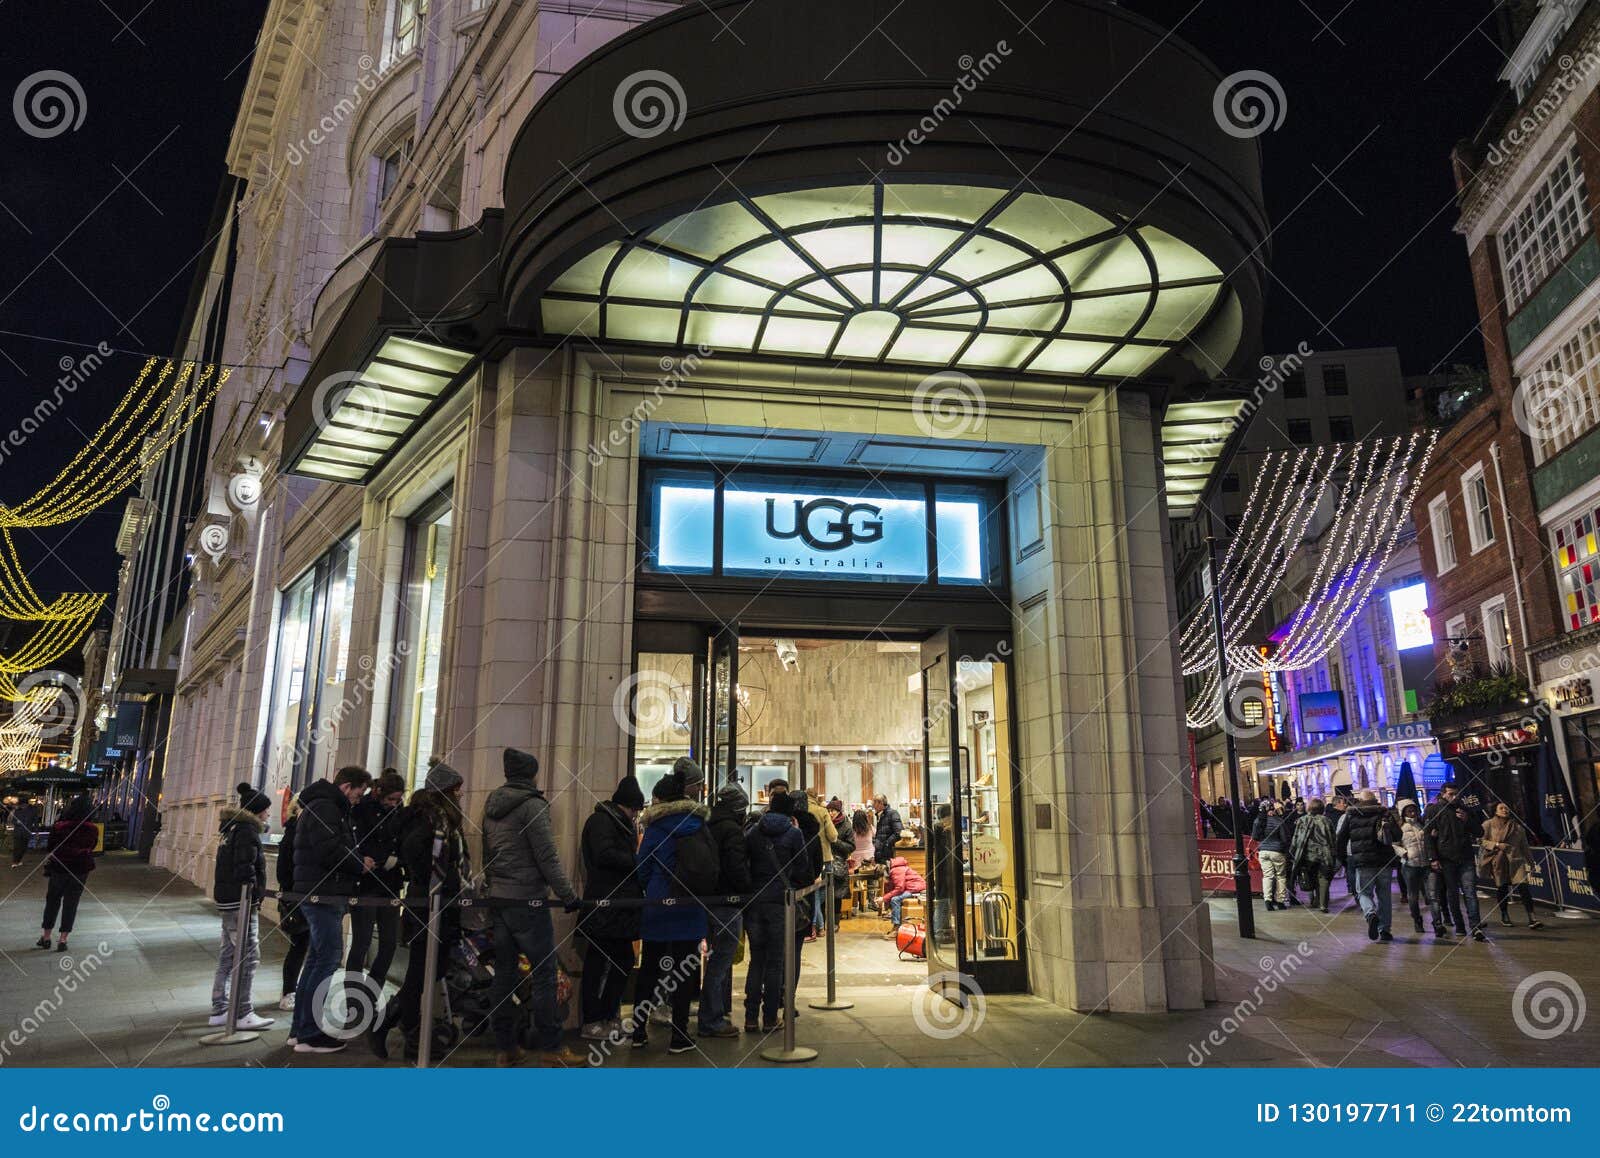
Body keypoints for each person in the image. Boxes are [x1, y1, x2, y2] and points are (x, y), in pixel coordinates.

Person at [481, 748, 584, 1067]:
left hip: (499, 899)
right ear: (531, 775)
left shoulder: (491, 805)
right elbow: (547, 857)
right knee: (544, 975)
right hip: (527, 900)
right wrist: (568, 895)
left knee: (505, 975)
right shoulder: (533, 806)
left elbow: (487, 854)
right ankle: (552, 1047)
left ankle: (505, 1047)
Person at [370, 762, 467, 1061]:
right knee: (420, 972)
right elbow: (417, 855)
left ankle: (407, 1027)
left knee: (432, 970)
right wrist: (447, 879)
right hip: (428, 904)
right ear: (445, 792)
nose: (460, 796)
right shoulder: (428, 820)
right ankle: (400, 1028)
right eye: (456, 791)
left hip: (440, 904)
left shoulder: (440, 819)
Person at [289, 765, 373, 1052]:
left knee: (316, 960)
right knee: (327, 960)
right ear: (347, 786)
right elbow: (329, 850)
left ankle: (299, 1030)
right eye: (358, 793)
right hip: (323, 894)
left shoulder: (320, 805)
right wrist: (359, 863)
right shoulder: (327, 808)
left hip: (318, 892)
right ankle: (311, 1034)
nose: (358, 800)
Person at [632, 772, 710, 1054]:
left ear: (661, 799)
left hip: (658, 903)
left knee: (650, 969)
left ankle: (638, 1032)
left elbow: (642, 868)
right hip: (690, 903)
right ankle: (679, 1035)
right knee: (685, 972)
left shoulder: (655, 827)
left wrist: (650, 889)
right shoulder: (699, 824)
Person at [578, 774, 645, 1041]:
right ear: (627, 806)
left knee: (615, 961)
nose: (635, 815)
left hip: (615, 904)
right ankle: (595, 1019)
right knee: (602, 962)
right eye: (635, 810)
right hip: (606, 904)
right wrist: (636, 860)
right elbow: (604, 855)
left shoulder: (613, 822)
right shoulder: (602, 822)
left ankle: (606, 1016)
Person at [210, 783, 275, 1030]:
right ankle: (243, 1011)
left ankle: (220, 1008)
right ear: (257, 811)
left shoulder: (231, 829)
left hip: (228, 900)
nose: (269, 814)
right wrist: (253, 894)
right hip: (241, 902)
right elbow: (245, 868)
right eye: (267, 810)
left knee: (228, 954)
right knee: (248, 956)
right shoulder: (247, 831)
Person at [743, 790, 808, 1033]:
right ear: (790, 811)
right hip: (781, 903)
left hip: (755, 903)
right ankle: (770, 1018)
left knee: (756, 960)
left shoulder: (753, 833)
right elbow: (803, 869)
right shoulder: (794, 834)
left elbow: (744, 863)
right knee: (775, 962)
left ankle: (750, 1017)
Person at [700, 779, 752, 1038]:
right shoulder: (731, 829)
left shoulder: (706, 822)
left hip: (706, 899)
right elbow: (736, 866)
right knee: (721, 961)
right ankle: (711, 1019)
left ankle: (712, 1011)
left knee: (712, 959)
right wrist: (746, 890)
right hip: (727, 901)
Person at [347, 769, 406, 989]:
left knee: (389, 943)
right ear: (379, 792)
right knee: (361, 943)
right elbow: (357, 842)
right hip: (366, 884)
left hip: (390, 883)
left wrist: (397, 859)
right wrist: (383, 858)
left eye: (398, 800)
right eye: (391, 799)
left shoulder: (398, 811)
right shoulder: (361, 810)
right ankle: (354, 996)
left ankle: (372, 990)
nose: (394, 803)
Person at [1335, 789, 1401, 943]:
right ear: (1375, 799)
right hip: (1384, 861)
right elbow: (1398, 834)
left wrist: (1342, 858)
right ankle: (1385, 930)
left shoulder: (1351, 814)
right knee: (1385, 896)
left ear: (1360, 800)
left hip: (1363, 861)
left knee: (1363, 892)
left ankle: (1370, 914)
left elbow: (1341, 838)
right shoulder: (1384, 813)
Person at [1424, 783, 1484, 941]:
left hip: (1465, 857)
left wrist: (1467, 820)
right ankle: (1459, 926)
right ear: (1443, 794)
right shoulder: (1434, 810)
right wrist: (1433, 858)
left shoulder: (1464, 809)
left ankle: (1475, 926)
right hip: (1446, 858)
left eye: (1456, 794)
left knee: (1470, 892)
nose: (1454, 797)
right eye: (1451, 794)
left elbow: (1479, 831)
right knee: (1452, 893)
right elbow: (1428, 836)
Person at [37, 796, 96, 952]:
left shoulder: (59, 827)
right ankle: (63, 940)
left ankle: (46, 936)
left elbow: (50, 847)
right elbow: (92, 846)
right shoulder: (92, 828)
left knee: (53, 900)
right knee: (72, 903)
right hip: (81, 869)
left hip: (60, 868)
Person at [1479, 802, 1544, 930]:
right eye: (1501, 808)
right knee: (1502, 888)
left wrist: (1531, 862)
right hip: (1498, 861)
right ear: (1496, 811)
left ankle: (1532, 918)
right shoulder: (1488, 825)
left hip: (1516, 861)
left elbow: (1524, 846)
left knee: (1524, 887)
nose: (1505, 810)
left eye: (1507, 808)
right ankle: (1504, 915)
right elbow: (1481, 841)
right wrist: (1497, 845)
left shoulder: (1518, 827)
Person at [275, 797, 309, 1010]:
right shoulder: (294, 834)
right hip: (297, 898)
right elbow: (283, 871)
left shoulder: (295, 831)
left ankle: (291, 990)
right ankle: (289, 991)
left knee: (302, 945)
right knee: (299, 945)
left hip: (299, 896)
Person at [1393, 799, 1442, 935]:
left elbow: (1429, 840)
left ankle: (1437, 923)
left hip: (1427, 864)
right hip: (1410, 866)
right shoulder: (1399, 827)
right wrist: (1404, 854)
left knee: (1433, 896)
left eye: (1414, 810)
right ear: (1403, 813)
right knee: (1413, 897)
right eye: (1409, 810)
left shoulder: (1423, 824)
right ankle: (1417, 919)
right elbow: (1395, 844)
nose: (1413, 813)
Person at [1288, 798, 1337, 912]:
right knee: (1323, 878)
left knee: (1310, 877)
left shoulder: (1302, 820)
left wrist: (1293, 851)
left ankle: (1313, 900)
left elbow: (1296, 838)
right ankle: (1323, 904)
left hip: (1307, 855)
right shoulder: (1326, 820)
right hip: (1324, 854)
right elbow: (1333, 838)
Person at [1251, 801, 1295, 910]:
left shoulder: (1258, 821)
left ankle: (1268, 900)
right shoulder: (1278, 821)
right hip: (1277, 851)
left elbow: (1255, 837)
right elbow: (1285, 838)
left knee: (1267, 876)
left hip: (1263, 851)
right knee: (1280, 876)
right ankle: (1280, 901)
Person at [878, 854, 927, 933]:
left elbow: (899, 888)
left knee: (895, 899)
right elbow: (891, 891)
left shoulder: (896, 870)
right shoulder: (894, 869)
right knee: (895, 898)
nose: (883, 881)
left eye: (882, 878)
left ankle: (896, 928)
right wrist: (884, 902)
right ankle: (898, 927)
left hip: (915, 888)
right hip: (912, 887)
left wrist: (883, 899)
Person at [871, 793, 903, 863]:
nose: (873, 805)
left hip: (888, 854)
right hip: (881, 854)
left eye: (874, 803)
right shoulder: (880, 815)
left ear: (881, 803)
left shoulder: (893, 813)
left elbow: (899, 832)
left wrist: (886, 844)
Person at [10, 801, 37, 867]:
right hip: (18, 832)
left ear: (26, 804)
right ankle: (15, 861)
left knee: (23, 848)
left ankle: (18, 861)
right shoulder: (17, 811)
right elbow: (13, 820)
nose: (21, 806)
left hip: (26, 832)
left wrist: (37, 831)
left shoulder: (32, 811)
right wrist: (17, 822)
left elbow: (35, 821)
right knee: (17, 847)